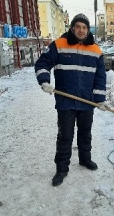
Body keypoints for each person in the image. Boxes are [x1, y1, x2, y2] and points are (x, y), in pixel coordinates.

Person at [35, 13, 107, 187]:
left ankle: (85, 159)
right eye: (78, 27)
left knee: (85, 133)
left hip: (86, 101)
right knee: (65, 136)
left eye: (84, 27)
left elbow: (100, 76)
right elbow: (42, 63)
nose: (81, 30)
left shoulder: (96, 50)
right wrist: (44, 81)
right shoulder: (59, 45)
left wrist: (100, 99)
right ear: (72, 28)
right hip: (65, 101)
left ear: (87, 30)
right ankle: (61, 169)